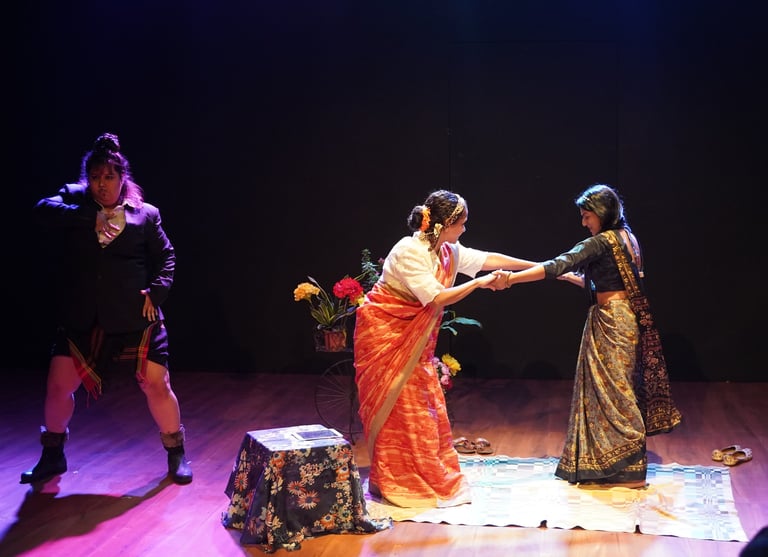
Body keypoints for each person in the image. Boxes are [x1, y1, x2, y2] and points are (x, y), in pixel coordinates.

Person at [21, 132, 192, 485]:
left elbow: (167, 256)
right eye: (95, 177)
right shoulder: (75, 201)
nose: (101, 184)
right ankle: (52, 455)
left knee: (156, 385)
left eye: (109, 177)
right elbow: (41, 210)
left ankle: (176, 453)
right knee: (58, 386)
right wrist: (88, 217)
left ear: (122, 177)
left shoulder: (145, 214)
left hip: (134, 316)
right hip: (84, 317)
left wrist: (157, 291)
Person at [353, 189, 537, 508]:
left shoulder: (447, 250)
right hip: (387, 337)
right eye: (461, 223)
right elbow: (436, 297)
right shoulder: (409, 251)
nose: (465, 229)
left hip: (415, 346)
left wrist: (543, 266)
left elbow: (487, 259)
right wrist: (478, 283)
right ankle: (400, 480)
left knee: (426, 410)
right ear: (443, 225)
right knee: (403, 411)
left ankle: (416, 474)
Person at [496, 183, 680, 488]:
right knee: (616, 389)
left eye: (587, 216)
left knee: (615, 392)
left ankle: (630, 468)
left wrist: (511, 280)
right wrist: (572, 278)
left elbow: (557, 264)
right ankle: (615, 466)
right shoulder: (628, 238)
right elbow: (606, 283)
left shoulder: (602, 242)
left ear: (602, 213)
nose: (584, 223)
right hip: (625, 316)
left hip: (612, 320)